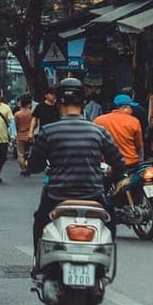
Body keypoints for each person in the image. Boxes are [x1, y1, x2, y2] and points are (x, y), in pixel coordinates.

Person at [27, 78, 125, 275]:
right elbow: (119, 164)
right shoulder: (98, 131)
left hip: (56, 196)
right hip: (93, 196)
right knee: (110, 223)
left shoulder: (48, 131)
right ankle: (103, 268)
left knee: (40, 221)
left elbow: (34, 165)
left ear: (58, 102)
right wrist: (112, 176)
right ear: (84, 103)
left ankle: (39, 261)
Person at [94, 94, 144, 167]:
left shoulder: (98, 120)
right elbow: (139, 145)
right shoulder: (134, 121)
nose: (132, 111)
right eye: (130, 107)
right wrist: (141, 162)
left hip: (107, 164)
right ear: (125, 107)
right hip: (129, 164)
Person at [13, 95, 35, 177]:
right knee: (29, 153)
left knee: (21, 154)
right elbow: (35, 124)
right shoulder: (32, 113)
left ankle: (23, 169)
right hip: (30, 135)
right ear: (29, 104)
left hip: (20, 136)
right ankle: (28, 167)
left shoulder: (17, 114)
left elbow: (15, 125)